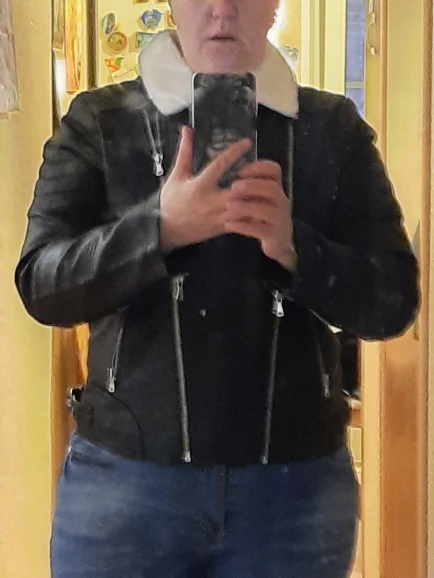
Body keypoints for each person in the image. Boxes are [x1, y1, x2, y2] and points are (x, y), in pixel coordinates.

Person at [15, 0, 419, 576]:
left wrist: (296, 247)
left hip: (293, 498)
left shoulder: (333, 130)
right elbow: (41, 283)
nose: (222, 9)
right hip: (125, 491)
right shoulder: (100, 122)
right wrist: (159, 230)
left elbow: (393, 301)